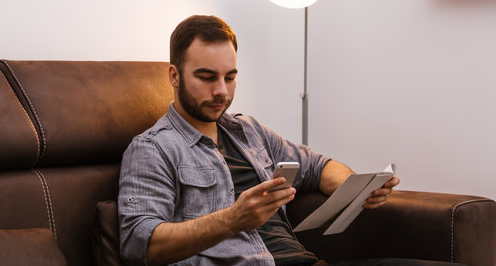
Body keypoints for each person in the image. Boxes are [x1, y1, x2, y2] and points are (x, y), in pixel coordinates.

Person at [118, 15, 463, 266]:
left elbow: (316, 165)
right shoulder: (152, 148)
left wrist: (356, 188)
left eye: (230, 77)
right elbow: (139, 244)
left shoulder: (247, 131)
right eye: (206, 77)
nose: (221, 91)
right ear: (174, 76)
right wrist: (232, 219)